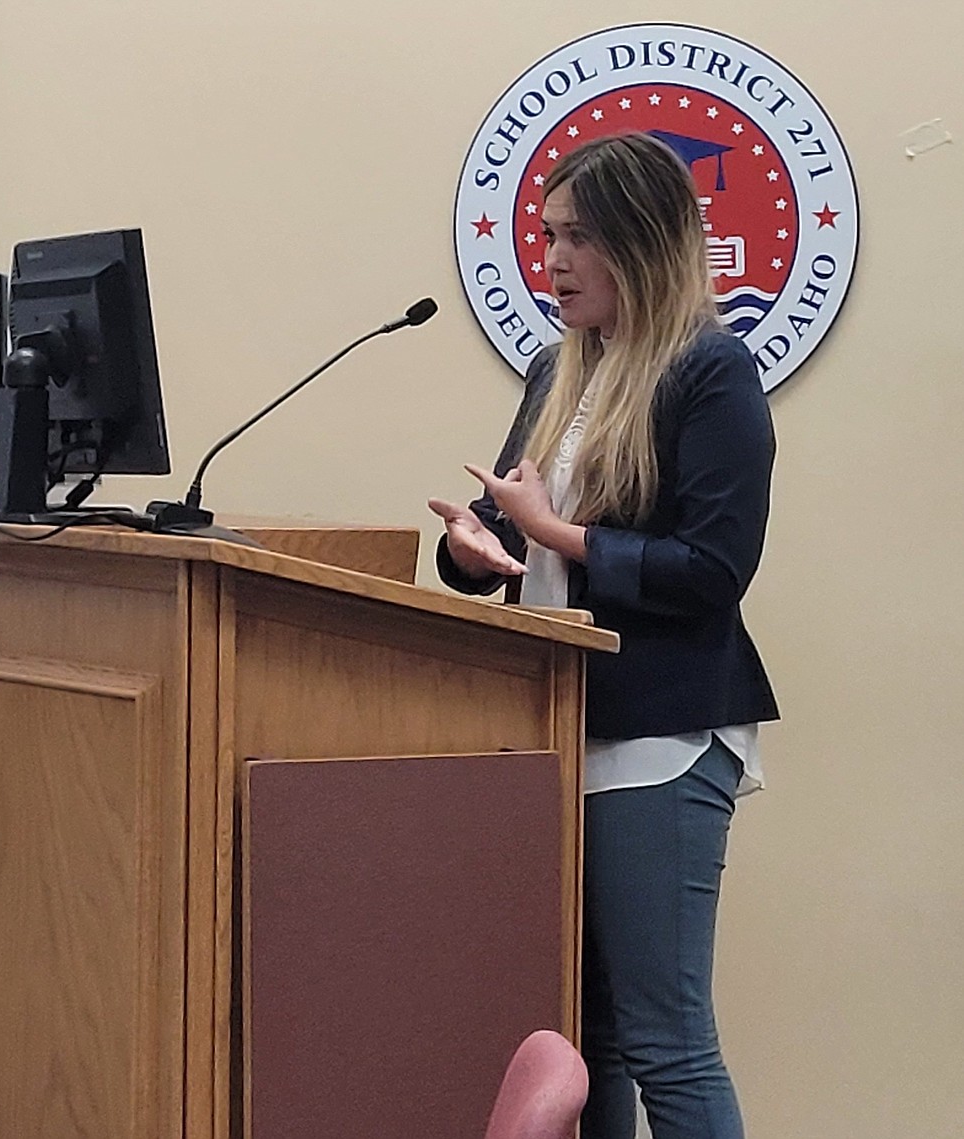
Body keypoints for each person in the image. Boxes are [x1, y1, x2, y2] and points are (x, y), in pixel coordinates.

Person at [430, 132, 778, 1139]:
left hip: (657, 742)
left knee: (667, 1040)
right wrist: (472, 542)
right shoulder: (556, 371)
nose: (554, 258)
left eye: (579, 235)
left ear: (644, 237)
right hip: (555, 730)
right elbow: (508, 526)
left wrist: (556, 535)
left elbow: (711, 570)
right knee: (585, 1037)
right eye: (547, 235)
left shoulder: (711, 372)